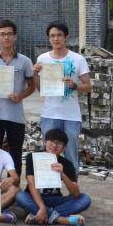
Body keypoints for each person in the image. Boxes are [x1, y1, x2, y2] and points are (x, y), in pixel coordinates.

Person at [34, 21, 91, 168]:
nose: (56, 39)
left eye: (59, 35)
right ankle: (50, 189)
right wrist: (34, 74)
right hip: (50, 114)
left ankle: (73, 187)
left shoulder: (78, 59)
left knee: (71, 153)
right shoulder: (42, 59)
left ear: (66, 37)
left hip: (71, 115)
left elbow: (89, 86)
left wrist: (75, 85)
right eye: (52, 36)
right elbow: (41, 90)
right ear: (48, 38)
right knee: (50, 154)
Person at [0, 20, 35, 177]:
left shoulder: (25, 61)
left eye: (9, 34)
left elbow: (32, 86)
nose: (6, 37)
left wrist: (20, 96)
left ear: (15, 37)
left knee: (15, 153)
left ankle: (14, 187)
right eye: (2, 34)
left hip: (15, 115)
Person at [16, 128, 91, 226]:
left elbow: (76, 193)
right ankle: (60, 219)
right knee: (20, 196)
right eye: (51, 141)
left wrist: (62, 174)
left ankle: (39, 215)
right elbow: (31, 184)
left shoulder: (66, 164)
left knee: (85, 199)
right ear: (45, 142)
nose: (54, 145)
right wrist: (42, 206)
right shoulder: (32, 157)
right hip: (34, 198)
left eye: (59, 143)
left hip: (55, 199)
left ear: (64, 148)